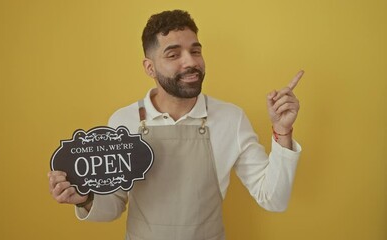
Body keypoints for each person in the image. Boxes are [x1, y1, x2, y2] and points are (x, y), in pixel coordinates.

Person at [48, 9, 303, 240]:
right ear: (150, 67)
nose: (190, 62)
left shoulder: (230, 119)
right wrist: (85, 198)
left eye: (195, 51)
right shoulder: (123, 121)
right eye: (173, 54)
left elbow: (274, 199)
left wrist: (282, 131)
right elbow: (114, 204)